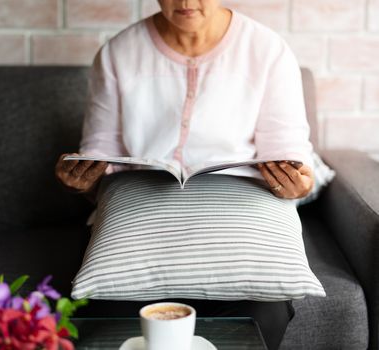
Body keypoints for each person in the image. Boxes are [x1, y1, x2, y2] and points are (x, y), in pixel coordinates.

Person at [55, 1, 314, 348]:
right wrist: (82, 183)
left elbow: (288, 150)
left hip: (238, 231)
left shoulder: (267, 50)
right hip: (138, 232)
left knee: (263, 313)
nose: (186, 2)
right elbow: (100, 157)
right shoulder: (118, 52)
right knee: (102, 315)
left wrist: (297, 184)